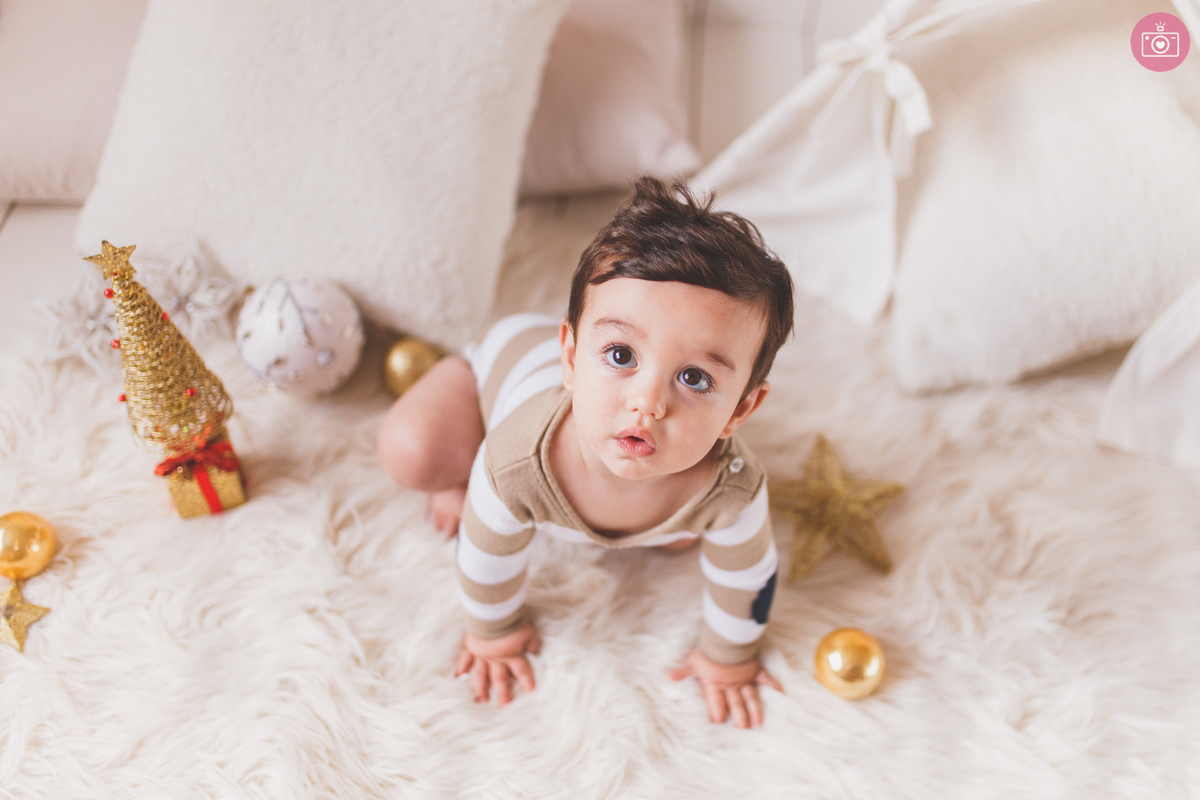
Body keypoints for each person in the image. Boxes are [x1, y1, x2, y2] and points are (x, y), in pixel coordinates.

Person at [377, 176, 795, 728]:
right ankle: (458, 433)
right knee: (412, 451)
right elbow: (485, 557)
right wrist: (496, 634)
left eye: (694, 378)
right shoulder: (518, 460)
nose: (647, 403)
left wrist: (728, 659)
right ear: (572, 357)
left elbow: (749, 578)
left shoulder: (732, 488)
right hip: (500, 366)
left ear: (741, 409)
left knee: (683, 541)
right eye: (620, 354)